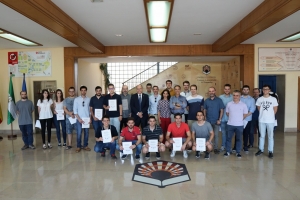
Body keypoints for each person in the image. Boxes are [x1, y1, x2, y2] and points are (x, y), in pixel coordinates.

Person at [255, 85, 278, 159]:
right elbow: (259, 108)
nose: (265, 90)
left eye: (267, 89)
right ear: (262, 90)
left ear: (269, 90)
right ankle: (261, 149)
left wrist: (270, 116)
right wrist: (264, 115)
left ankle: (270, 151)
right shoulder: (259, 99)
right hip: (261, 120)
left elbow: (275, 109)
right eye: (264, 89)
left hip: (271, 120)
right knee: (262, 136)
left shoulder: (273, 99)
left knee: (270, 136)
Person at [224, 90, 248, 158]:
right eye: (234, 95)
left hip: (239, 125)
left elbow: (245, 114)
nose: (235, 97)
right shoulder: (229, 104)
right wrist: (233, 118)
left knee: (239, 139)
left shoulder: (243, 105)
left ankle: (238, 152)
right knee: (228, 138)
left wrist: (239, 119)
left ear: (240, 96)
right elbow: (227, 113)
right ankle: (228, 151)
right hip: (230, 124)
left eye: (237, 95)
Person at [203, 87, 224, 154]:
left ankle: (215, 148)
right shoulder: (206, 101)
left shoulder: (219, 100)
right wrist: (205, 117)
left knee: (216, 135)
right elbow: (204, 110)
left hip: (216, 121)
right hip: (208, 121)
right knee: (207, 135)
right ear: (208, 92)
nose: (211, 92)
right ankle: (208, 147)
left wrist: (219, 119)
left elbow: (221, 110)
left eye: (212, 91)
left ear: (215, 91)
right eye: (210, 91)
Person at [73, 86, 91, 153]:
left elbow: (90, 110)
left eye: (84, 90)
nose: (83, 91)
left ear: (86, 91)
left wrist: (90, 118)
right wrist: (79, 119)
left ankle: (85, 145)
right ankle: (78, 146)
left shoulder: (89, 99)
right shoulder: (76, 99)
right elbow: (75, 110)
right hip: (79, 119)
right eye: (82, 90)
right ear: (80, 91)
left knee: (86, 133)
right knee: (79, 133)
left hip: (86, 119)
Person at [239, 85, 255, 153]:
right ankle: (237, 146)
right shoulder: (239, 98)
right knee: (238, 133)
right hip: (238, 119)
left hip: (247, 119)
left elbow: (252, 109)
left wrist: (244, 116)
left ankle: (245, 146)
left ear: (249, 90)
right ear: (242, 90)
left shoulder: (252, 99)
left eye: (247, 89)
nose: (245, 91)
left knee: (246, 133)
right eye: (244, 89)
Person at [219, 84, 233, 151]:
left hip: (231, 119)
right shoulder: (220, 97)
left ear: (230, 90)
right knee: (223, 133)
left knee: (229, 134)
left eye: (228, 89)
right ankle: (223, 146)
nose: (227, 90)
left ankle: (228, 146)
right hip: (223, 118)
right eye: (225, 89)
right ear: (224, 90)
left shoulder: (233, 97)